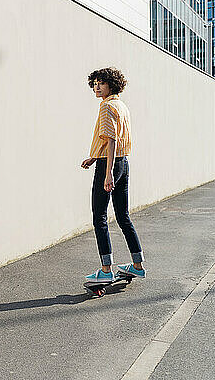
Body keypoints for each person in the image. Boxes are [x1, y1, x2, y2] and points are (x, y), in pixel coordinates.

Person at [80, 67, 145, 283]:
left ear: (112, 85)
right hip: (123, 163)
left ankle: (106, 270)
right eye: (95, 83)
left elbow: (111, 139)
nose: (97, 87)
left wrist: (107, 172)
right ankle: (137, 264)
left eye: (101, 83)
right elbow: (112, 141)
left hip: (110, 165)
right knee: (123, 216)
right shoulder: (121, 106)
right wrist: (94, 157)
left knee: (99, 217)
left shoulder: (107, 107)